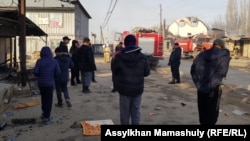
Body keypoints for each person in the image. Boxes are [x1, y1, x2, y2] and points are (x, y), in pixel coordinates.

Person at [111, 34, 150, 125]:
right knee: (136, 112)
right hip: (137, 90)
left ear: (125, 43)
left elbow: (114, 71)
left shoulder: (119, 57)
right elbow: (147, 73)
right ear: (135, 43)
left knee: (124, 113)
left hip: (124, 90)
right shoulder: (142, 57)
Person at [190, 39, 230, 125]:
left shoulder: (201, 54)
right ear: (222, 46)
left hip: (201, 88)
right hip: (213, 89)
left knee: (202, 110)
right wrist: (210, 85)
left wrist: (199, 84)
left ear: (213, 45)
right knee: (212, 113)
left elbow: (193, 70)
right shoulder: (224, 56)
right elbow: (221, 73)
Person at [33, 46, 61, 125]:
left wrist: (40, 74)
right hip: (50, 83)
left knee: (43, 98)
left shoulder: (39, 61)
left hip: (41, 83)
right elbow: (58, 72)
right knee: (49, 100)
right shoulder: (54, 61)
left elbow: (35, 72)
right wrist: (53, 77)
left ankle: (44, 112)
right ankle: (46, 117)